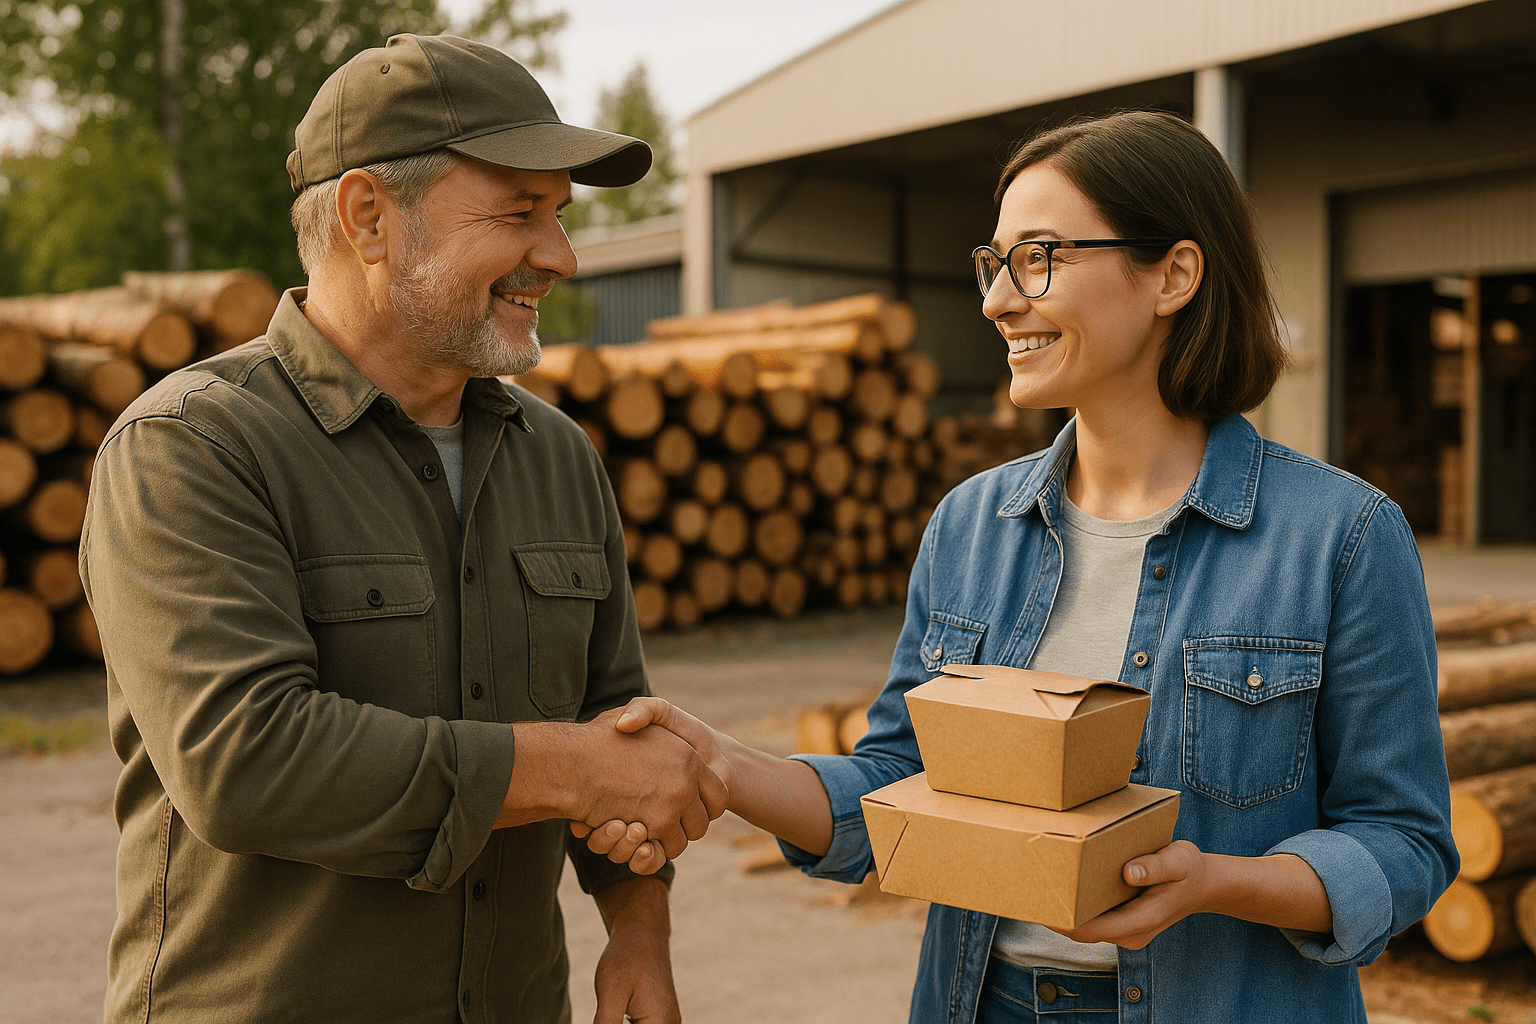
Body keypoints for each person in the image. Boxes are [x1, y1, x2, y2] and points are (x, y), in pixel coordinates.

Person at [579, 110, 1458, 1023]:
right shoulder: (971, 526)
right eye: (994, 263)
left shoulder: (1342, 537)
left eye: (1038, 257)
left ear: (1174, 275)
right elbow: (899, 789)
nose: (998, 299)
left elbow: (1404, 844)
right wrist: (723, 764)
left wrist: (1216, 883)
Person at [80, 33, 724, 1024]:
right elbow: (246, 761)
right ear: (368, 217)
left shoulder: (559, 456)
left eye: (558, 215)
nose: (560, 256)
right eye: (519, 212)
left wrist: (638, 929)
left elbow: (614, 721)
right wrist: (577, 767)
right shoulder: (191, 447)